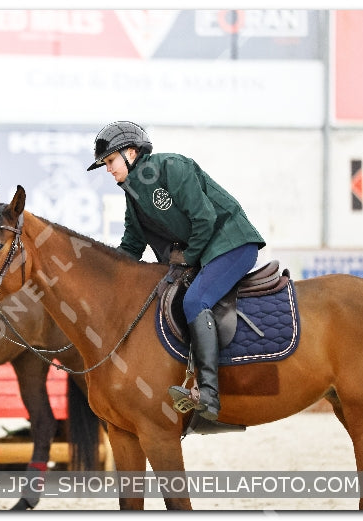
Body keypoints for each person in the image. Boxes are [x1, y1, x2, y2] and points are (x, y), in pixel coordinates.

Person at [87, 121, 265, 421]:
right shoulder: (132, 192)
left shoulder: (172, 167)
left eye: (110, 161)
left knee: (195, 301)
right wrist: (104, 276)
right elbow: (132, 243)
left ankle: (208, 393)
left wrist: (187, 259)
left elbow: (205, 219)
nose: (108, 170)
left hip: (232, 244)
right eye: (105, 164)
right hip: (204, 254)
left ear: (131, 152)